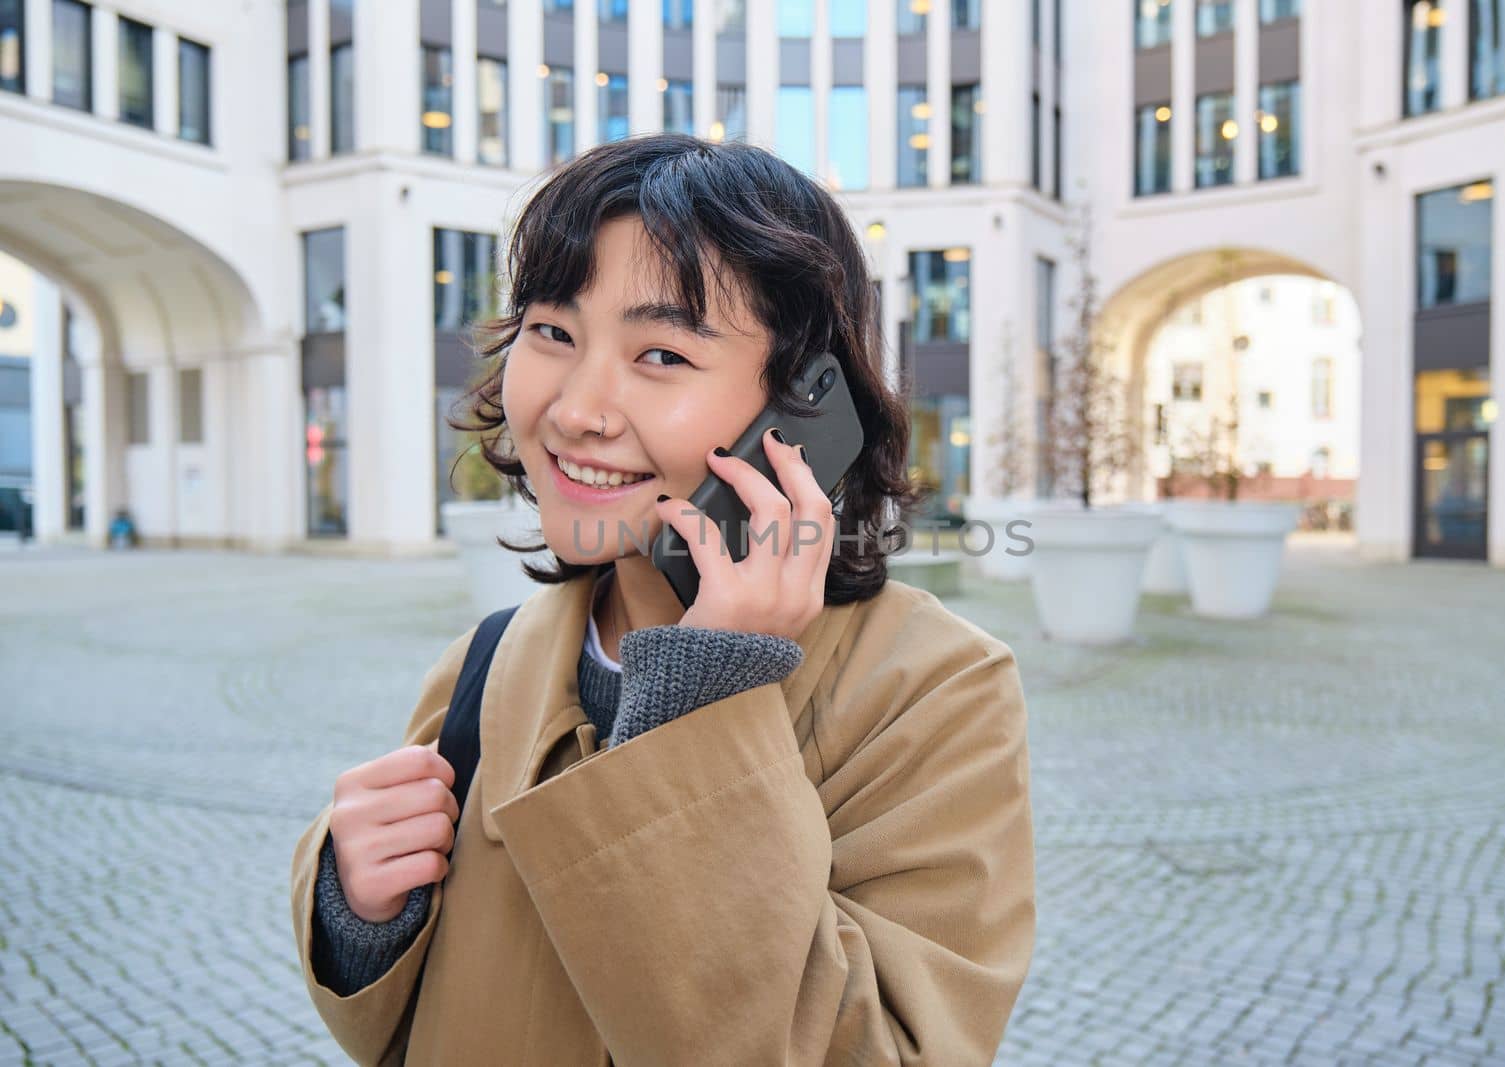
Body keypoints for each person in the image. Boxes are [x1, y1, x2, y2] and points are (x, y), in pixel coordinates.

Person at [289, 132, 1036, 1066]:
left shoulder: (933, 691)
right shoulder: (484, 662)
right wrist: (361, 913)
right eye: (553, 333)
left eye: (662, 355)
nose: (576, 410)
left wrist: (704, 705)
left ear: (805, 406)